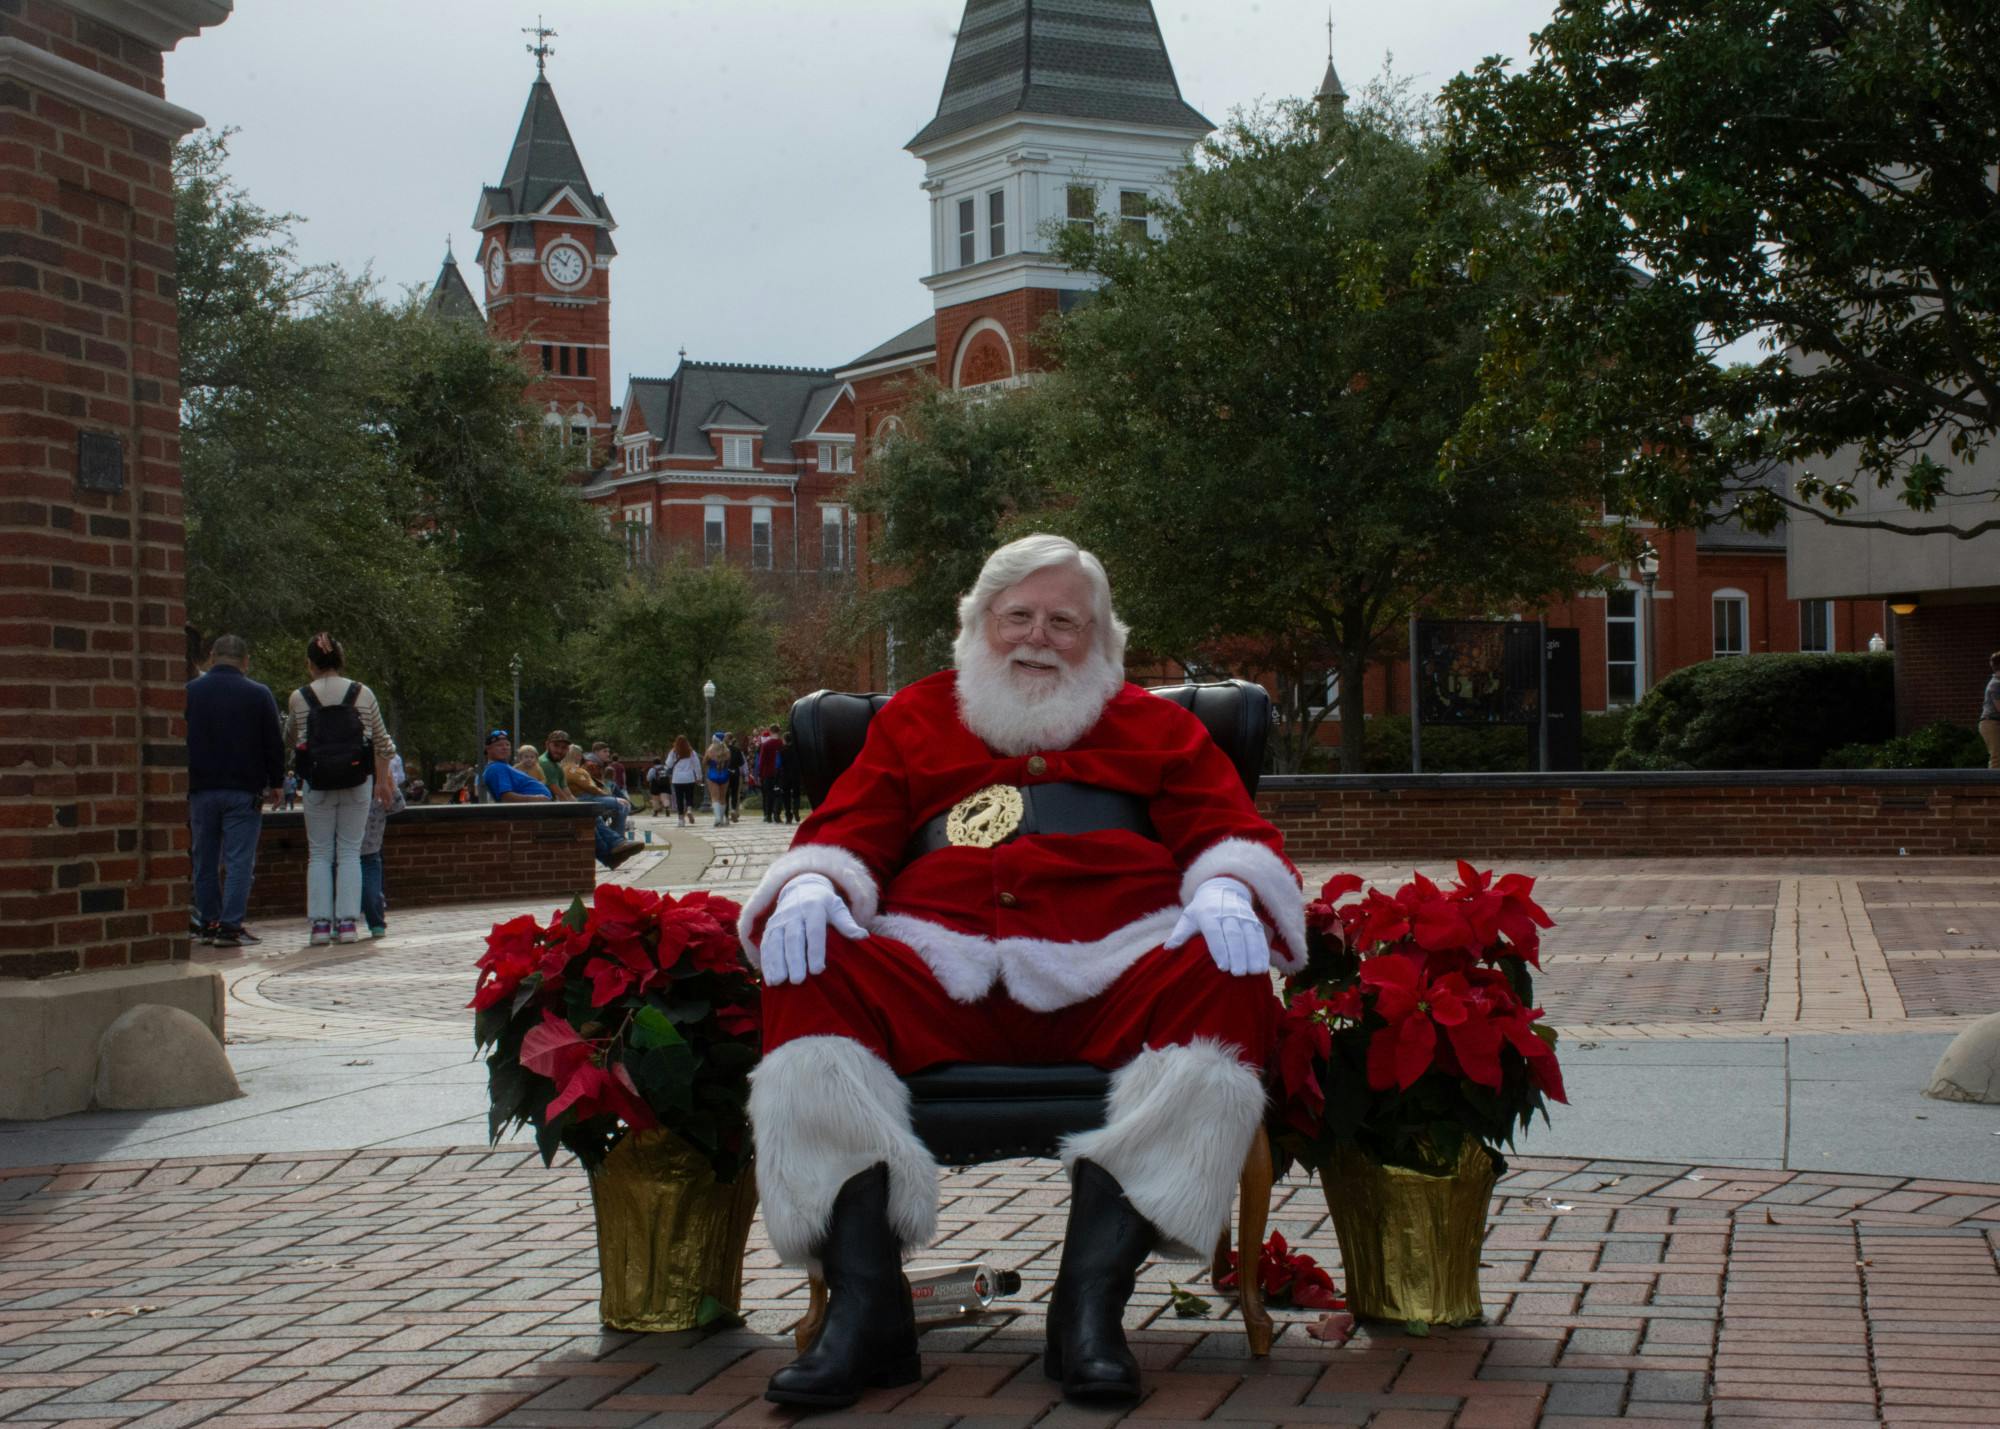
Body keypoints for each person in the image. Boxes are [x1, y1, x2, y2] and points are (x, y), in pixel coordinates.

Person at [740, 534, 1305, 1409]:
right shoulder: (917, 719)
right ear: (978, 623)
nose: (1038, 637)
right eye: (1018, 616)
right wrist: (815, 877)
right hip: (939, 974)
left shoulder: (1160, 726)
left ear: (1103, 640)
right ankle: (867, 1313)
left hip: (1116, 974)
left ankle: (1089, 1309)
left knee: (1225, 972)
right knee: (808, 960)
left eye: (1064, 622)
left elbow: (1229, 829)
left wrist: (1229, 882)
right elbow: (850, 827)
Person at [283, 633, 396, 946]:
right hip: (357, 781)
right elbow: (384, 744)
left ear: (310, 664)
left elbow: (291, 739)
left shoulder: (300, 696)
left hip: (317, 782)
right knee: (350, 851)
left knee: (319, 853)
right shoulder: (363, 693)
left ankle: (320, 925)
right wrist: (383, 781)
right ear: (341, 660)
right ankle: (347, 924)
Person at [185, 633, 286, 948]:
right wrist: (278, 782)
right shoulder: (258, 694)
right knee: (239, 860)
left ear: (213, 656)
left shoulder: (189, 692)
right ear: (245, 661)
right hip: (244, 790)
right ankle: (230, 926)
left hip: (201, 789)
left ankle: (208, 922)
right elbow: (273, 743)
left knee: (205, 859)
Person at [481, 730, 644, 869]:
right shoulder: (496, 769)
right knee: (587, 811)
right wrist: (537, 799)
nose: (504, 748)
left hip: (539, 808)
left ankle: (611, 850)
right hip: (533, 811)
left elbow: (565, 792)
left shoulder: (504, 767)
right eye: (499, 745)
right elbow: (506, 797)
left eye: (507, 744)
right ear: (488, 749)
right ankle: (612, 849)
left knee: (586, 812)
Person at [358, 774, 406, 939]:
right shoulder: (374, 793)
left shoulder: (375, 795)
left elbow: (399, 805)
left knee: (366, 891)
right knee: (369, 890)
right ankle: (374, 924)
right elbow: (399, 805)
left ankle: (373, 923)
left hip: (360, 851)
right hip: (361, 850)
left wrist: (389, 782)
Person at [667, 734, 701, 827]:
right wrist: (698, 777)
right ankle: (689, 809)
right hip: (689, 778)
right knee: (689, 796)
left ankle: (681, 820)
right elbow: (697, 765)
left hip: (677, 779)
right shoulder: (691, 752)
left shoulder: (673, 752)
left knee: (679, 799)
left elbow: (668, 764)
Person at [703, 734, 730, 828]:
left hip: (713, 774)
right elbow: (728, 762)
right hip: (725, 774)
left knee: (715, 797)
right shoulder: (727, 751)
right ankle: (721, 819)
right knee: (723, 798)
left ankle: (717, 818)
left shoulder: (710, 751)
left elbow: (704, 762)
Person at [757, 726, 783, 823]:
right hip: (780, 772)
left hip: (767, 772)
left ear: (770, 732)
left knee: (769, 794)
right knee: (778, 794)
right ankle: (777, 814)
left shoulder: (766, 744)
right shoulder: (781, 743)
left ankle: (768, 815)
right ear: (779, 732)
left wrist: (759, 773)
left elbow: (762, 760)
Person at [1982, 651, 2000, 770]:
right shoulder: (1996, 685)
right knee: (1997, 757)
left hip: (1995, 721)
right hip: (1991, 723)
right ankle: (1994, 786)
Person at [726, 733, 745, 821]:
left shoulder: (723, 750)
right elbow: (741, 763)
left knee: (726, 794)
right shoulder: (737, 750)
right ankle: (733, 809)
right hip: (735, 773)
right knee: (734, 793)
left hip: (725, 773)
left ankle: (725, 814)